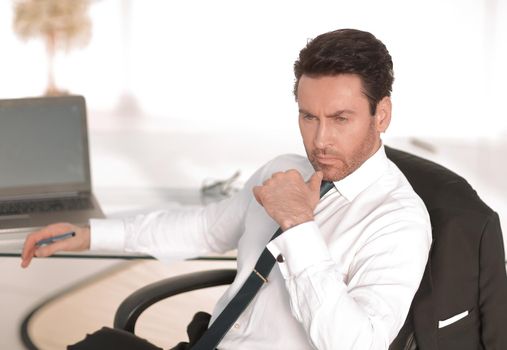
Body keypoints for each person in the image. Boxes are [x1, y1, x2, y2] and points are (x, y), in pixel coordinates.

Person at [21, 29, 432, 349]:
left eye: (340, 118)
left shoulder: (399, 220)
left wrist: (298, 227)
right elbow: (205, 228)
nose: (320, 140)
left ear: (382, 114)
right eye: (308, 117)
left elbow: (358, 345)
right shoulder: (284, 171)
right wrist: (93, 234)